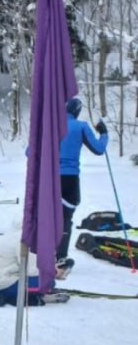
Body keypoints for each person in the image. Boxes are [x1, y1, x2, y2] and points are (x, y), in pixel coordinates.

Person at [58, 96, 108, 262]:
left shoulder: (50, 126)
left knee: (47, 216)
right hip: (69, 179)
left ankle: (42, 255)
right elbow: (99, 149)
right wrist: (103, 133)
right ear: (77, 111)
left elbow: (29, 152)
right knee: (65, 218)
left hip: (48, 179)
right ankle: (60, 258)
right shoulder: (80, 126)